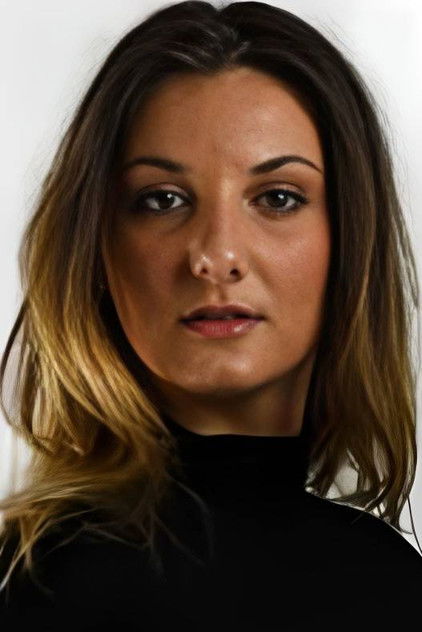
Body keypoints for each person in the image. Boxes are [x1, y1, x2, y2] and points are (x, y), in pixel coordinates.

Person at [0, 1, 421, 630]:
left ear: (350, 240)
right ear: (97, 250)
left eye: (278, 197)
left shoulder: (389, 580)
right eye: (162, 200)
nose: (216, 256)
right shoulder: (44, 583)